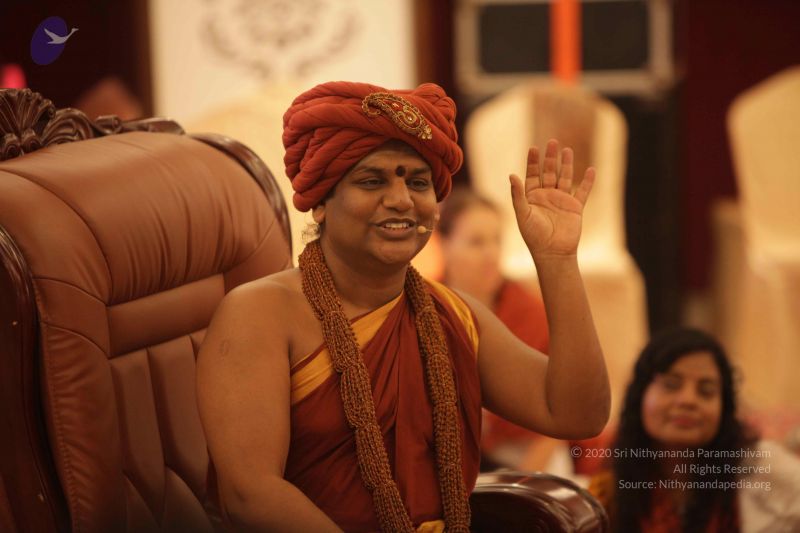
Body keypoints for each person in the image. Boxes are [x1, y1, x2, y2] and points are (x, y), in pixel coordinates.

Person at [196, 81, 610, 532]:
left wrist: (557, 259)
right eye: (372, 181)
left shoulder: (452, 314)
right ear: (320, 204)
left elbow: (576, 413)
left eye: (417, 182)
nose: (400, 200)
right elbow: (249, 494)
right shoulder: (259, 313)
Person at [589, 327, 800, 532]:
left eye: (706, 391)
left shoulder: (760, 466)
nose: (688, 400)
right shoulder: (610, 489)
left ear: (724, 408)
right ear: (640, 395)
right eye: (671, 385)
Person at [438, 187, 573, 474]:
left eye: (496, 241)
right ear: (444, 244)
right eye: (476, 242)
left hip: (525, 449)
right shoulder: (422, 305)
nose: (491, 254)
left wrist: (522, 480)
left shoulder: (529, 310)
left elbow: (562, 401)